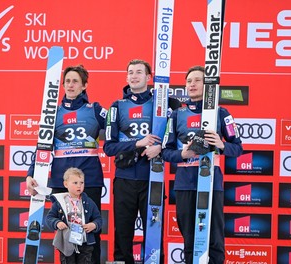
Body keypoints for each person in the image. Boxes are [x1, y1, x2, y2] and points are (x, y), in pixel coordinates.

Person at [161, 66, 243, 264]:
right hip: (185, 183)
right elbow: (165, 151)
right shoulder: (176, 115)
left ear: (208, 86)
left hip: (211, 181)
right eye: (189, 81)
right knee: (189, 238)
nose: (192, 85)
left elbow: (238, 149)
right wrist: (183, 154)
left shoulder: (221, 113)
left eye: (197, 80)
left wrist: (221, 144)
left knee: (214, 237)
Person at [26, 65, 106, 264]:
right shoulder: (53, 112)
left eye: (75, 81)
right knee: (64, 232)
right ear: (62, 85)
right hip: (62, 181)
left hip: (89, 180)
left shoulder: (95, 109)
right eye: (67, 81)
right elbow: (42, 146)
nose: (70, 85)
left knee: (90, 232)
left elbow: (118, 129)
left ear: (84, 85)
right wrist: (31, 173)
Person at [103, 59, 181, 264]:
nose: (134, 76)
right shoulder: (116, 106)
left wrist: (160, 148)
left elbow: (175, 139)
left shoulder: (164, 104)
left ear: (148, 78)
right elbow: (108, 147)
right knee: (122, 235)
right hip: (125, 179)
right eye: (130, 72)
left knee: (154, 234)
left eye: (139, 72)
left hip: (152, 178)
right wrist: (138, 143)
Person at [47, 167, 103, 264]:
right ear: (66, 184)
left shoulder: (89, 202)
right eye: (75, 183)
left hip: (84, 243)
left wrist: (93, 225)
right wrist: (57, 223)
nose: (79, 186)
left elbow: (98, 219)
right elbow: (49, 218)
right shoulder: (60, 202)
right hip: (66, 242)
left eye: (81, 183)